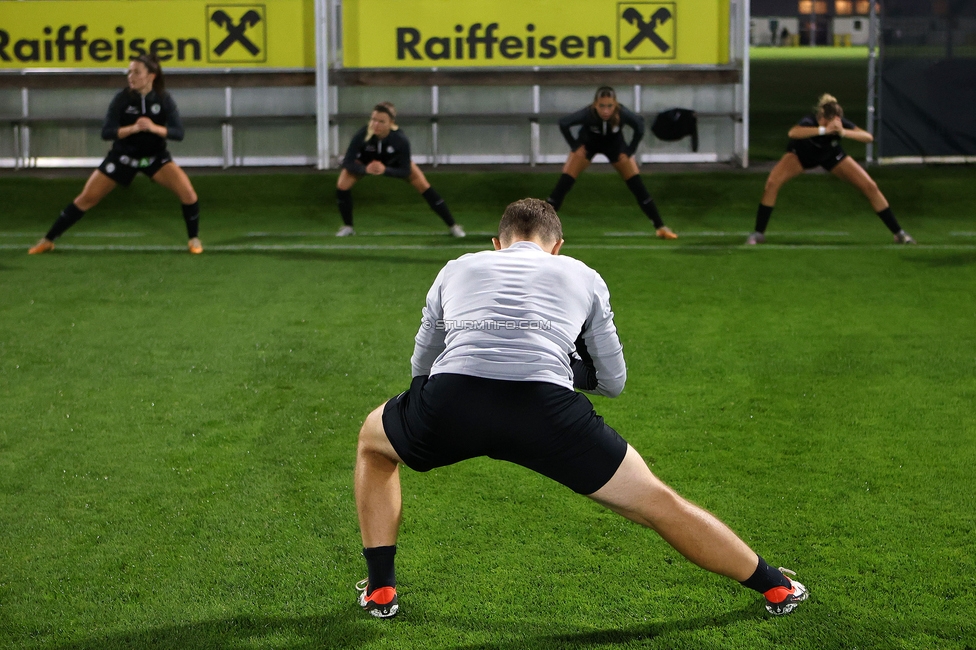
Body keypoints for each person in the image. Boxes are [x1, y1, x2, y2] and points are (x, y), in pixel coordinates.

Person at [353, 198, 808, 619]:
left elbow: (422, 360)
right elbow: (614, 382)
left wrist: (427, 409)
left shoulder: (457, 267)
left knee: (375, 445)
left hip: (450, 401)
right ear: (557, 247)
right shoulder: (583, 275)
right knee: (653, 501)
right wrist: (562, 367)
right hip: (547, 411)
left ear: (496, 244)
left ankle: (381, 590)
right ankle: (775, 587)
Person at [29, 55, 202, 255]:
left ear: (151, 76)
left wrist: (154, 128)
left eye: (136, 72)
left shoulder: (164, 99)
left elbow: (178, 133)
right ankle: (48, 239)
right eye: (129, 72)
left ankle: (194, 239)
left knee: (188, 194)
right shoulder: (122, 99)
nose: (131, 76)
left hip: (155, 158)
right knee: (87, 198)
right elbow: (107, 132)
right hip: (122, 158)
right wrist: (132, 129)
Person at [747, 93, 914, 245]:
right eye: (828, 122)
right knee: (772, 183)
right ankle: (759, 233)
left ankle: (898, 233)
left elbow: (868, 137)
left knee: (870, 186)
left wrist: (843, 132)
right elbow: (793, 133)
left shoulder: (839, 123)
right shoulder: (810, 121)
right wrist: (823, 130)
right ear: (821, 117)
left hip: (831, 156)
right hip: (801, 156)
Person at [545, 86, 677, 240]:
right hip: (588, 146)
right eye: (602, 106)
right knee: (562, 186)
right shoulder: (588, 114)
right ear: (595, 105)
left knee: (638, 187)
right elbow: (564, 123)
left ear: (616, 105)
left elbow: (639, 126)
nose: (606, 110)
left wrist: (629, 151)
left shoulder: (622, 113)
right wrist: (575, 146)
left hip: (615, 147)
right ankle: (539, 231)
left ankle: (660, 227)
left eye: (610, 106)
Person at [336, 102, 465, 238]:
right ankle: (348, 227)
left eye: (381, 121)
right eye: (373, 120)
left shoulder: (400, 140)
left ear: (391, 123)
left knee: (424, 186)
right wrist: (364, 169)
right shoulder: (362, 134)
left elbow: (404, 170)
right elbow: (348, 162)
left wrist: (385, 170)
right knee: (342, 185)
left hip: (393, 163)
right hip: (368, 164)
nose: (376, 125)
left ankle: (453, 226)